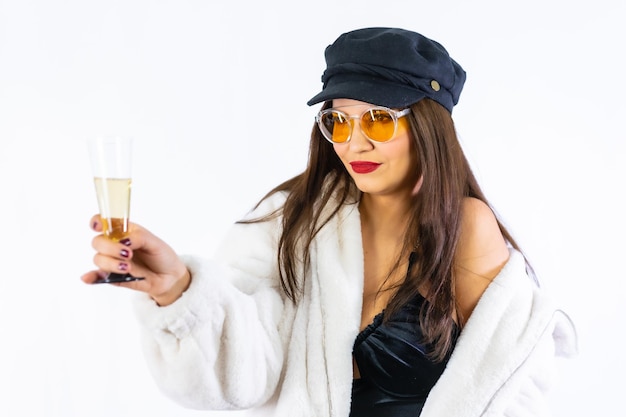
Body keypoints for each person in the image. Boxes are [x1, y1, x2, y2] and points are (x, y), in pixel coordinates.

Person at [82, 27, 577, 417]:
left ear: (427, 126)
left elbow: (502, 385)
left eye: (379, 119)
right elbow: (241, 372)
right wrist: (180, 290)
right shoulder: (290, 224)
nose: (353, 144)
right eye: (337, 121)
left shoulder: (465, 227)